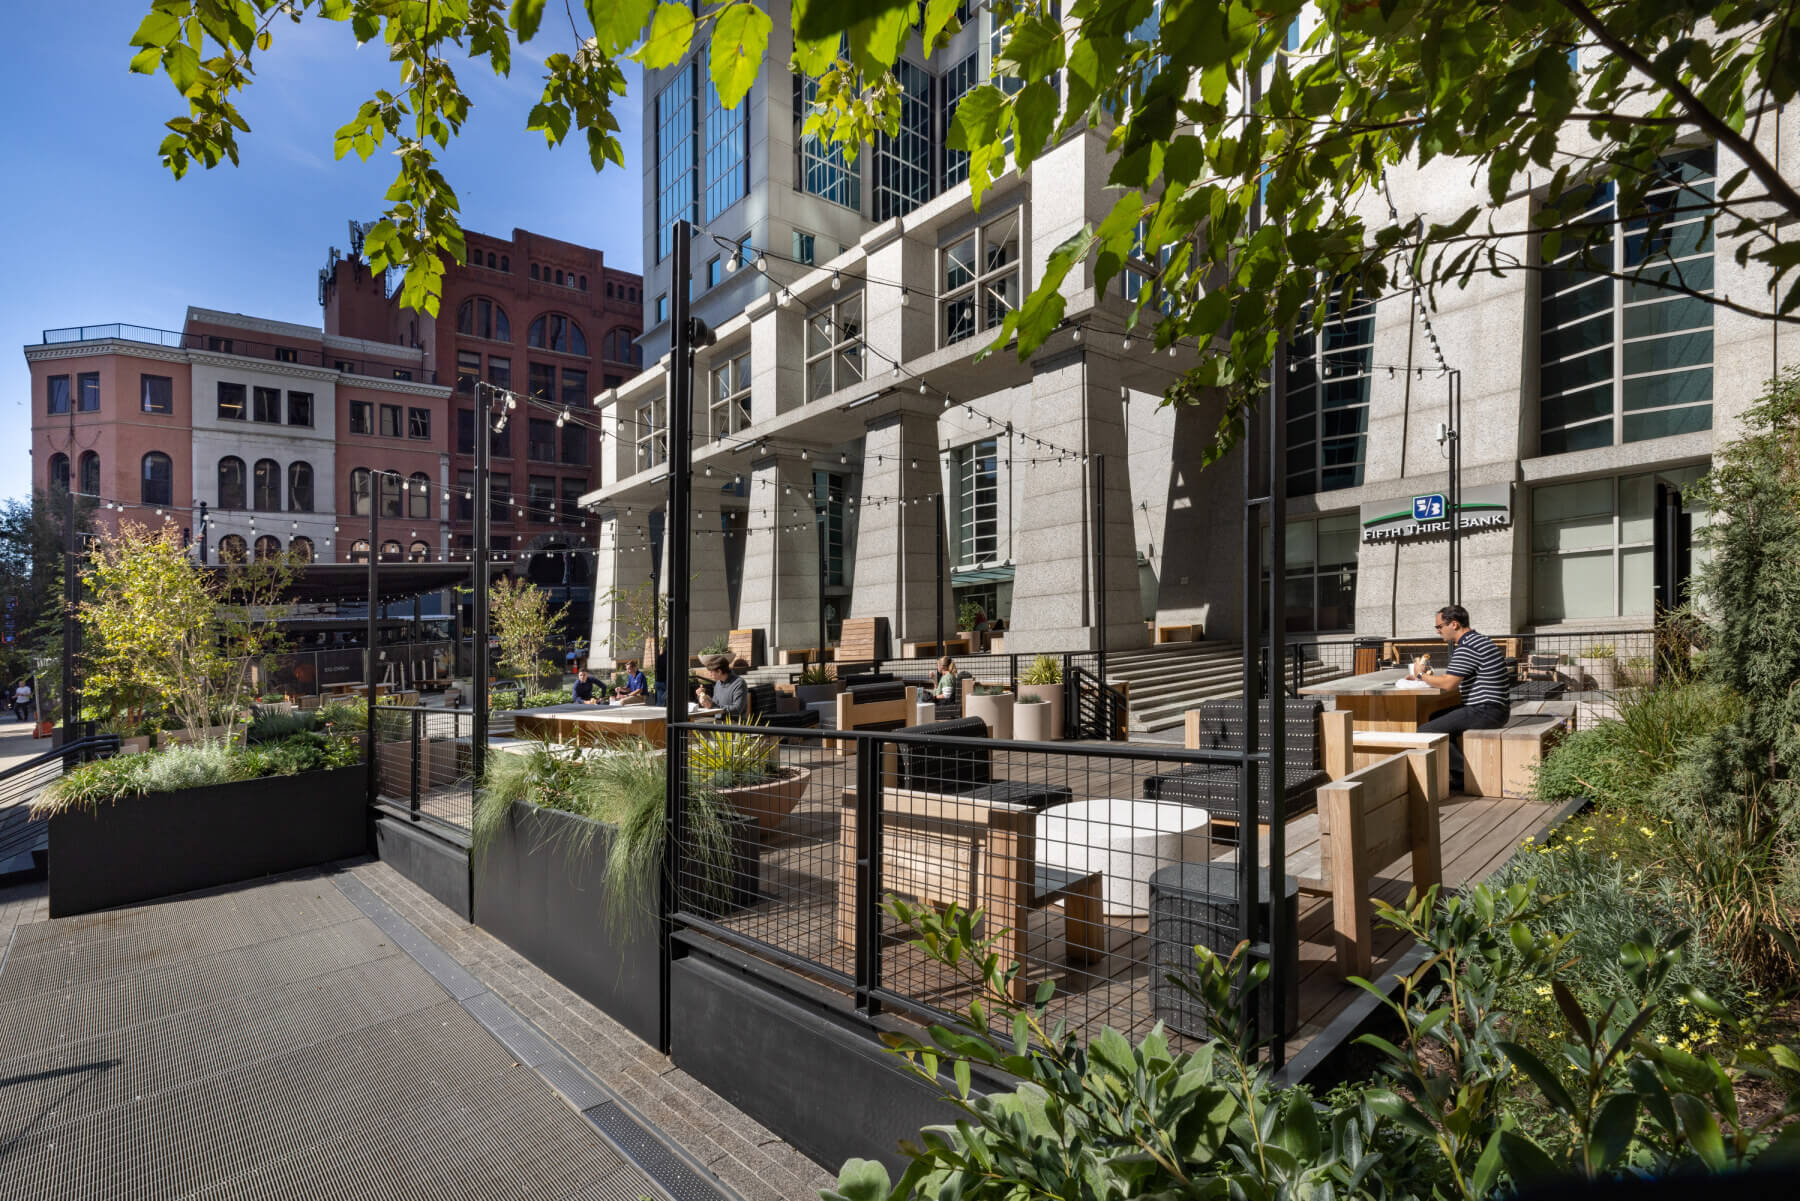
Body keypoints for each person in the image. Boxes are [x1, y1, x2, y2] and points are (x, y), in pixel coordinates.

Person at [1411, 604, 1510, 793]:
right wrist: (1428, 677)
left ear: (1454, 624)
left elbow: (1448, 684)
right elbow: (1454, 677)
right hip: (1495, 708)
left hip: (1486, 710)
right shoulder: (1479, 640)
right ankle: (1458, 778)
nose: (1438, 631)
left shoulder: (1467, 647)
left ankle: (1466, 775)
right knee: (1435, 718)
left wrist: (1420, 676)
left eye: (1439, 627)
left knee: (1425, 731)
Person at [693, 654, 747, 718]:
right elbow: (715, 704)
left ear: (719, 671)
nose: (709, 675)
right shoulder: (718, 683)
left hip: (733, 724)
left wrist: (713, 706)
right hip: (718, 723)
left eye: (711, 672)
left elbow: (737, 709)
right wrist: (704, 698)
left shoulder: (739, 683)